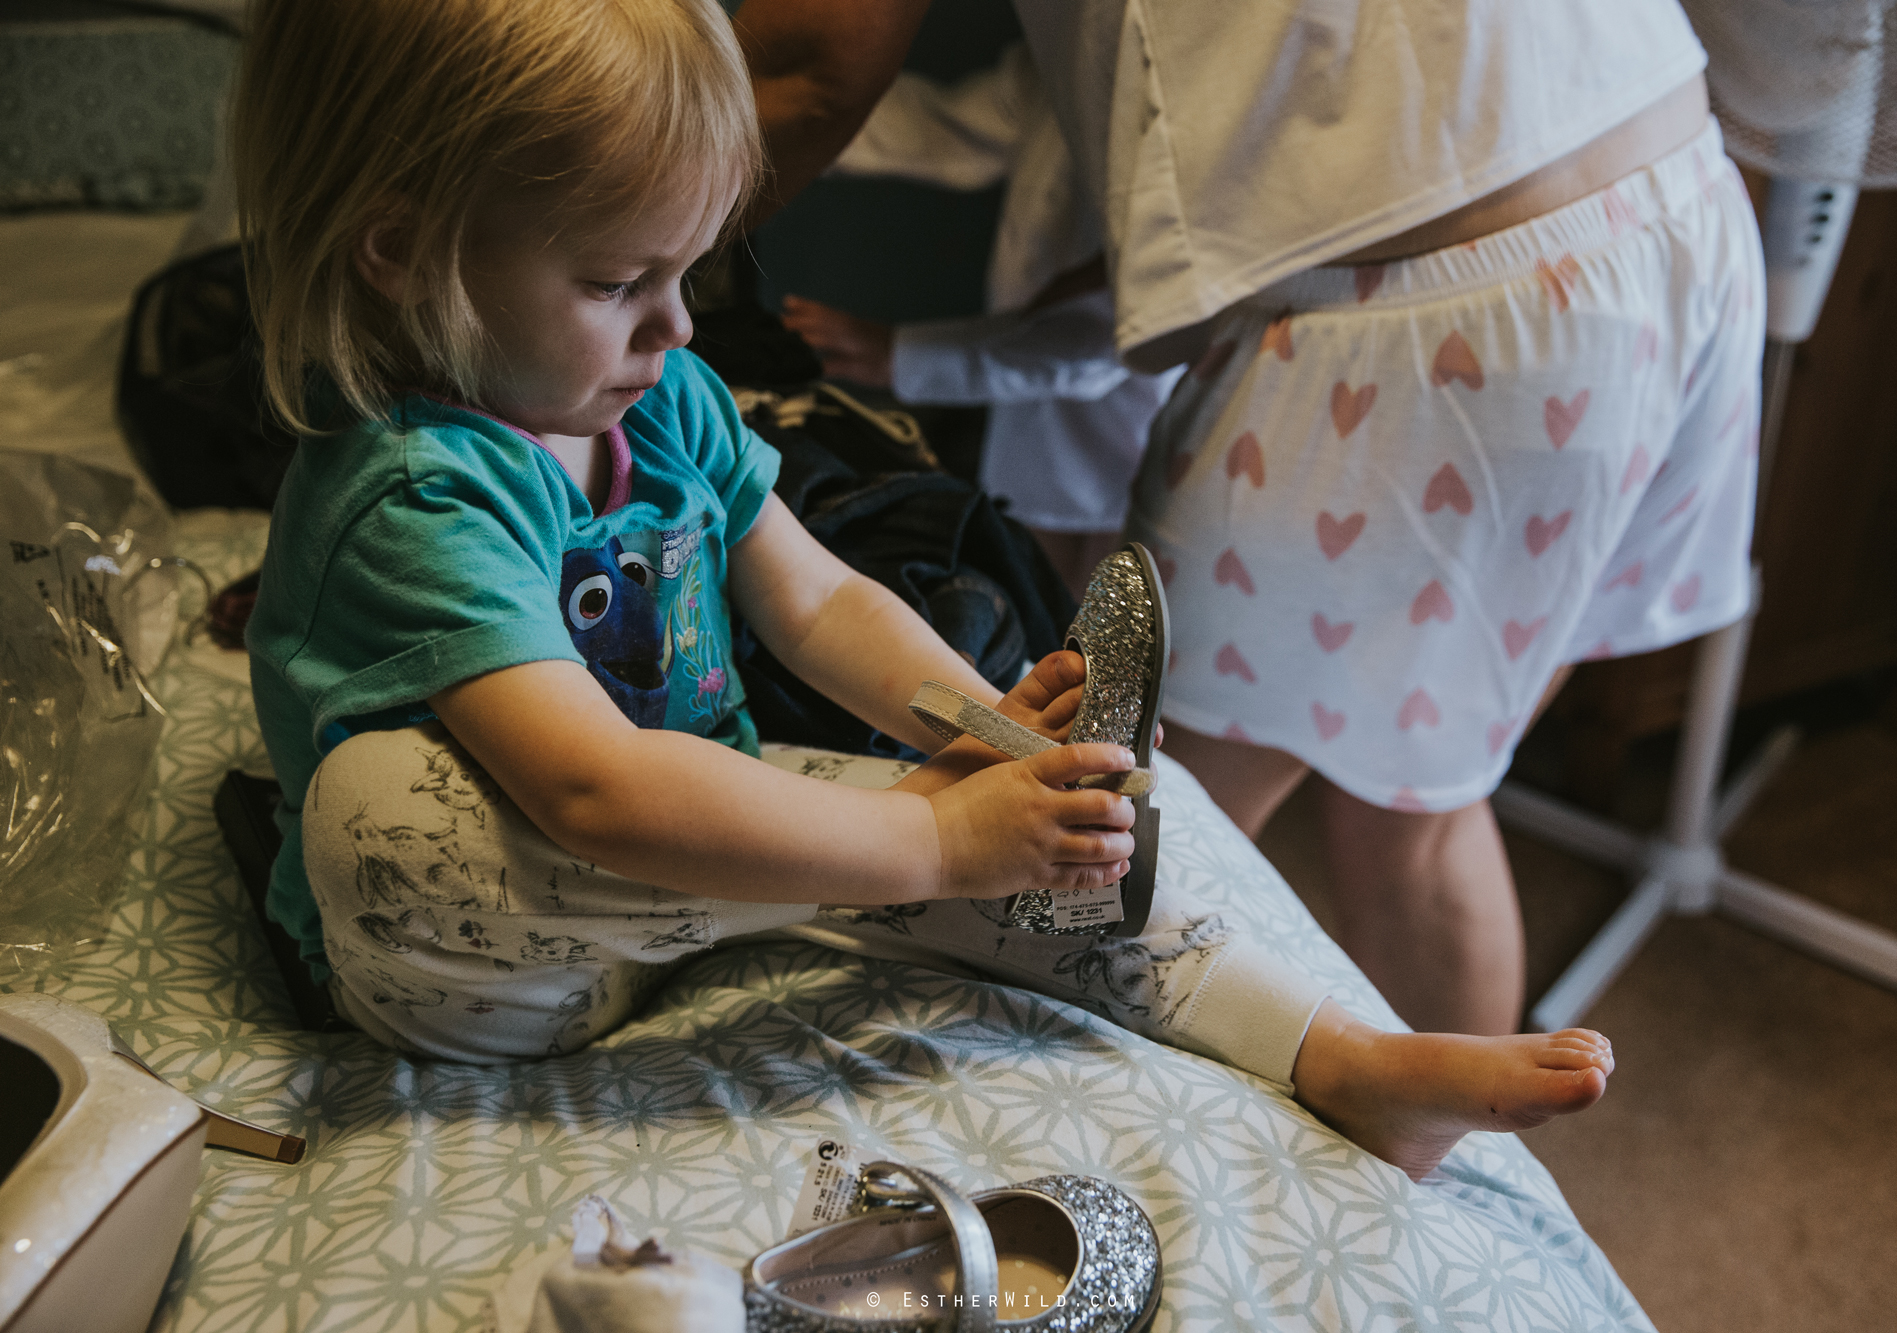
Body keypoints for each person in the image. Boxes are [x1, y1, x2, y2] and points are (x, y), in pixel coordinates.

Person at [236, 0, 1614, 1183]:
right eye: (616, 281)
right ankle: (879, 862)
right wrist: (933, 847)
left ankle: (1345, 1057)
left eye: (686, 271)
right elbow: (591, 791)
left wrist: (983, 728)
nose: (677, 324)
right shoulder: (420, 491)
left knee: (1081, 830)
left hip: (695, 887)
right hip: (492, 960)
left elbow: (821, 604)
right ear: (404, 255)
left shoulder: (661, 401)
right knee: (384, 820)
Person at [734, 0, 1763, 1037]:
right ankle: (1434, 1171)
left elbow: (816, 64)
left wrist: (614, 255)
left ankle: (1160, 1166)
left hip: (1433, 302)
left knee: (1125, 826)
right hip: (1666, 194)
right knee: (1417, 801)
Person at [774, 45, 1179, 599]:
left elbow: (1118, 327)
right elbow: (943, 130)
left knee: (1117, 639)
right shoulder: (1060, 56)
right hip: (1032, 424)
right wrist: (775, 114)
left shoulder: (1178, 93)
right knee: (1045, 622)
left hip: (1137, 435)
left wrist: (906, 355)